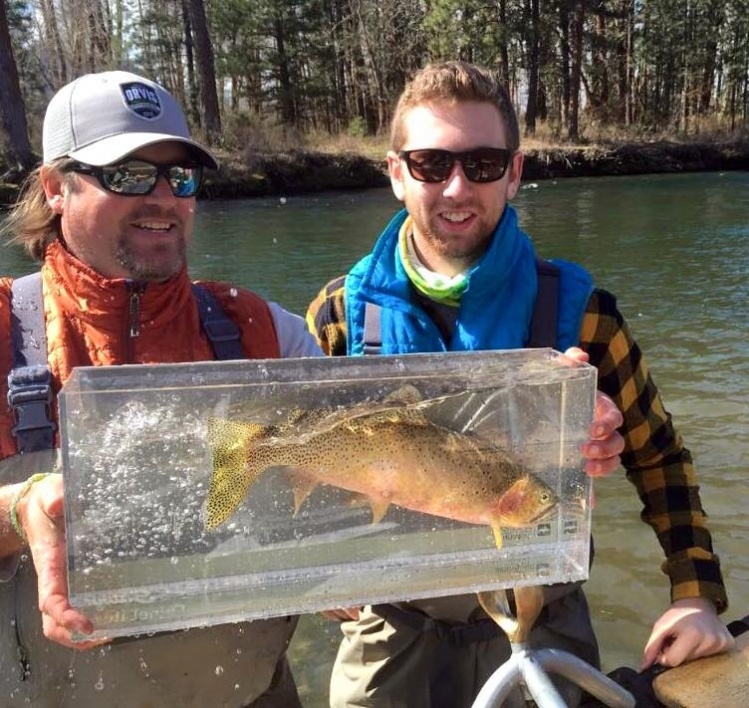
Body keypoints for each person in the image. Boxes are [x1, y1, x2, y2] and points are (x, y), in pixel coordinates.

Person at [306, 60, 734, 707]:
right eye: (430, 164)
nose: (456, 188)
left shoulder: (581, 310)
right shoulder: (337, 314)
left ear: (513, 172)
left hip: (543, 620)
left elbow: (659, 458)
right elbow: (306, 452)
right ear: (396, 174)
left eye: (481, 165)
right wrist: (313, 566)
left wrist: (695, 595)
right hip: (389, 623)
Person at [0, 70, 323, 707]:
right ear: (54, 188)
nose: (162, 197)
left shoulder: (268, 335)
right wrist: (19, 510)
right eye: (126, 173)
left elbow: (353, 473)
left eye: (180, 176)